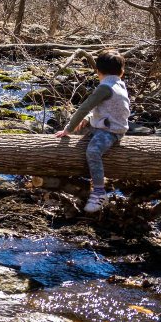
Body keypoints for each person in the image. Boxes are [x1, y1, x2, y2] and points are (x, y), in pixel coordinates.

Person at [55, 50, 130, 213]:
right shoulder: (118, 83)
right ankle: (76, 176)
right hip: (103, 124)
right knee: (80, 131)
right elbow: (103, 109)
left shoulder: (105, 87)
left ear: (98, 72)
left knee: (93, 152)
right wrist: (89, 118)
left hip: (111, 130)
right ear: (122, 72)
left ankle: (99, 192)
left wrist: (68, 129)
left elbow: (85, 107)